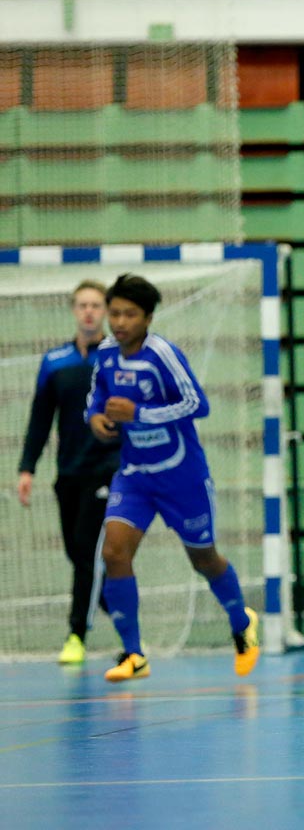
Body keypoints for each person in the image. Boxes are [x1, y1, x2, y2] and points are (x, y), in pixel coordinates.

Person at [86, 274, 259, 682]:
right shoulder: (106, 355)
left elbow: (198, 405)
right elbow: (94, 399)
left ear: (148, 318)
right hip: (135, 477)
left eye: (130, 314)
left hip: (182, 477)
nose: (120, 322)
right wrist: (94, 418)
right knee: (113, 553)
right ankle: (134, 655)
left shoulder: (163, 353)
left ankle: (240, 620)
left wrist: (140, 414)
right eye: (115, 313)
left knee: (203, 559)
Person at [16, 280, 121, 665]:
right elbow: (40, 419)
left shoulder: (117, 357)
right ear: (74, 310)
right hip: (69, 473)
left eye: (96, 305)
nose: (89, 312)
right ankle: (125, 618)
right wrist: (27, 468)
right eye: (82, 305)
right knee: (78, 553)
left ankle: (76, 633)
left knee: (87, 551)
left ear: (106, 311)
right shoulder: (54, 361)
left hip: (108, 469)